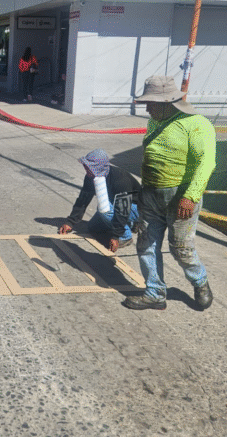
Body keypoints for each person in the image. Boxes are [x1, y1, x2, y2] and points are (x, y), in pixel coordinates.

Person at [126, 75, 216, 311]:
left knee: (180, 248)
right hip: (151, 194)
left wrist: (191, 196)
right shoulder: (155, 121)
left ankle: (200, 282)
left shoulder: (197, 124)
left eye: (151, 103)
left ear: (168, 103)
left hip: (181, 197)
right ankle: (155, 293)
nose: (146, 108)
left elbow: (206, 162)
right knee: (146, 244)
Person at [58, 149, 141, 252]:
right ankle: (129, 224)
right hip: (117, 205)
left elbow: (123, 209)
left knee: (104, 208)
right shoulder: (91, 177)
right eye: (85, 165)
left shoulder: (120, 180)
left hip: (137, 207)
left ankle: (125, 236)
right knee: (93, 227)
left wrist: (115, 236)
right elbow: (83, 199)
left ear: (98, 167)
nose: (85, 168)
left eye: (88, 166)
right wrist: (70, 222)